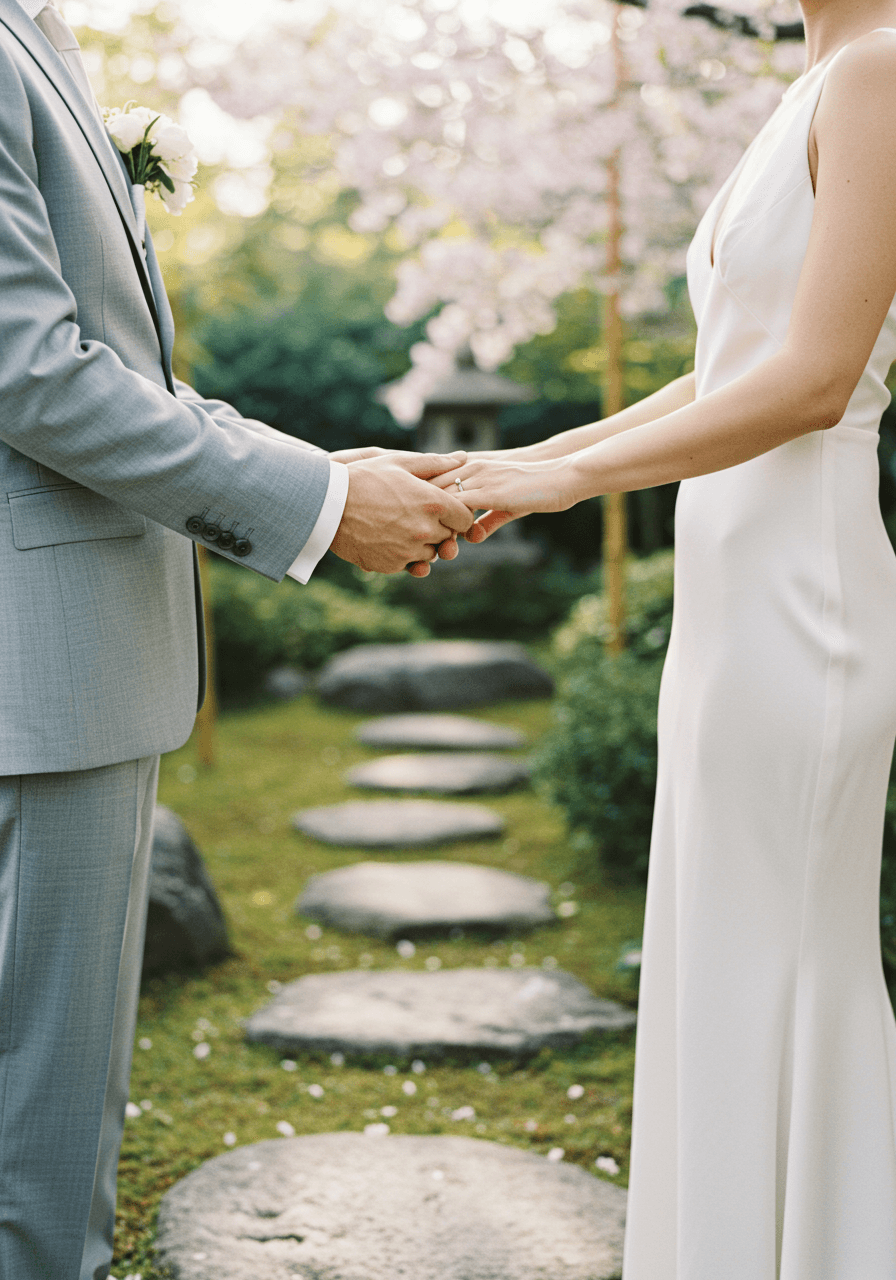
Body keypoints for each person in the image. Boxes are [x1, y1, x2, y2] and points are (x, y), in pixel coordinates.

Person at [0, 1, 475, 1276]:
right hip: (36, 681)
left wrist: (317, 471)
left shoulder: (35, 37)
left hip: (59, 669)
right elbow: (32, 373)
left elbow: (120, 367)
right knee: (34, 1148)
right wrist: (320, 508)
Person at [436, 4, 896, 1275]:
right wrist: (507, 465)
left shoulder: (884, 70)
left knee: (785, 960)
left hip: (806, 593)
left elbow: (813, 377)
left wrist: (570, 486)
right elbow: (722, 368)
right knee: (720, 956)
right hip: (728, 597)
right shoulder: (811, 80)